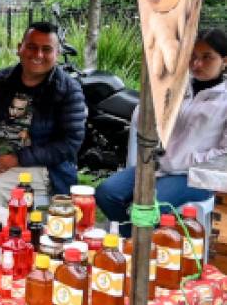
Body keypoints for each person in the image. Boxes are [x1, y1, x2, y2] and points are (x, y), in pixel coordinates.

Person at [0, 22, 86, 206]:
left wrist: (18, 158)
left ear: (57, 55)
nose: (38, 55)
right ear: (20, 48)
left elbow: (70, 143)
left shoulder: (68, 90)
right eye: (32, 47)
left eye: (46, 49)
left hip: (40, 168)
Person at [97, 29, 227, 230]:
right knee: (106, 193)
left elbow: (224, 153)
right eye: (192, 56)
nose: (197, 64)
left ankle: (139, 245)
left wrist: (183, 161)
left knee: (148, 205)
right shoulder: (180, 88)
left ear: (224, 60)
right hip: (158, 166)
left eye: (207, 57)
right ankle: (133, 241)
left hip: (195, 176)